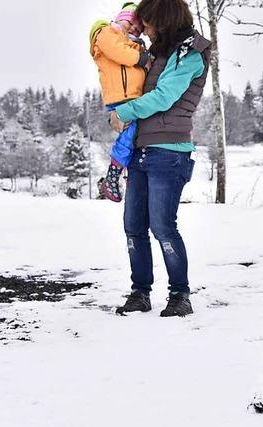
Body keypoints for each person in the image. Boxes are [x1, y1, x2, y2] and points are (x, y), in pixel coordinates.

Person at [110, 0, 211, 317]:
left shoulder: (189, 54)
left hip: (169, 152)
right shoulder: (158, 53)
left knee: (163, 226)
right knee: (133, 226)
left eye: (150, 23)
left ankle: (180, 295)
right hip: (142, 150)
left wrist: (124, 111)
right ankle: (140, 292)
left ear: (164, 21)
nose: (147, 30)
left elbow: (165, 96)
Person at [89, 2, 152, 202]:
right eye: (131, 23)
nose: (134, 29)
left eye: (139, 29)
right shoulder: (106, 34)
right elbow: (118, 52)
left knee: (135, 138)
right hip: (121, 98)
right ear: (120, 18)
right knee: (129, 135)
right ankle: (112, 175)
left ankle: (127, 175)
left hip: (133, 98)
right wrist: (142, 58)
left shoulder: (134, 44)